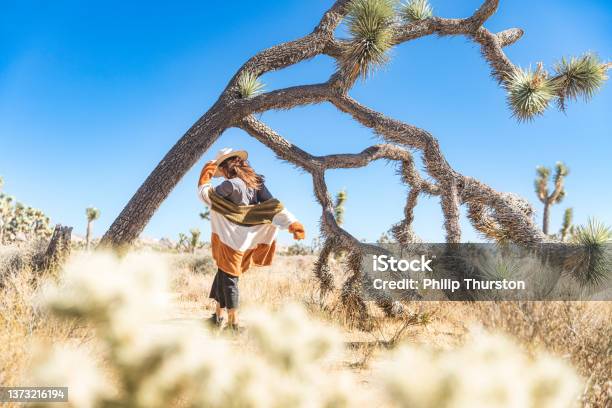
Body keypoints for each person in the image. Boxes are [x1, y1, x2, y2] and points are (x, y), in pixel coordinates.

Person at [197, 147, 305, 332]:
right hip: (246, 238)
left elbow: (208, 198)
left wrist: (204, 180)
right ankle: (217, 317)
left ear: (224, 168)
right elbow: (273, 207)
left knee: (229, 278)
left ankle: (233, 325)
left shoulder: (229, 185)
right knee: (222, 273)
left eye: (219, 170)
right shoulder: (257, 183)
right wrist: (292, 223)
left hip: (231, 239)